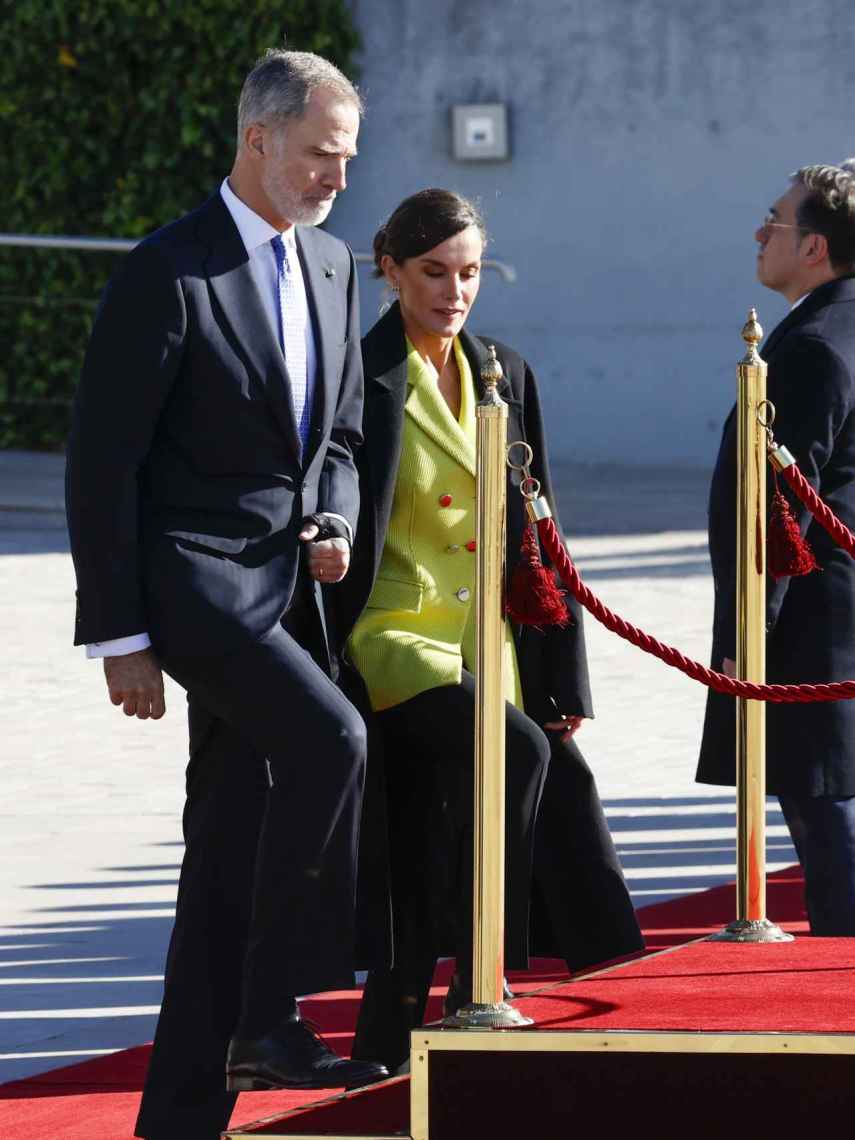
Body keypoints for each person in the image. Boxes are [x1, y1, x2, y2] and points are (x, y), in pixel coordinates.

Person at [65, 48, 389, 1140]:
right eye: (318, 156)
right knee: (333, 740)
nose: (336, 178)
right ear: (258, 141)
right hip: (197, 583)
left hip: (289, 587)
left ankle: (183, 1111)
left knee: (223, 849)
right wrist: (120, 634)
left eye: (346, 159)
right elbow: (102, 461)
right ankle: (271, 1008)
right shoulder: (169, 269)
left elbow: (339, 438)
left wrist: (335, 518)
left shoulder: (338, 266)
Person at [328, 188, 644, 1073]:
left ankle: (393, 1036)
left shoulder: (504, 368)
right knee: (518, 755)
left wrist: (561, 676)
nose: (454, 290)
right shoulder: (362, 374)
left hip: (490, 644)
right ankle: (481, 981)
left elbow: (541, 531)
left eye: (468, 273)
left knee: (478, 799)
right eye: (433, 273)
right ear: (389, 271)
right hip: (393, 633)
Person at [698, 164, 855, 935]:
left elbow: (777, 509)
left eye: (775, 221)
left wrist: (744, 637)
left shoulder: (812, 348)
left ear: (816, 247)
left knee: (831, 831)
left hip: (817, 626)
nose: (760, 233)